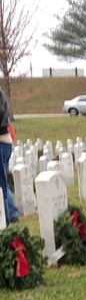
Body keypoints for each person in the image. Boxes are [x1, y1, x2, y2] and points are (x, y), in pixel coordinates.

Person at [0, 88, 17, 224]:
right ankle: (11, 214)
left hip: (1, 142)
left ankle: (5, 222)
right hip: (4, 142)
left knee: (1, 187)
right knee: (3, 184)